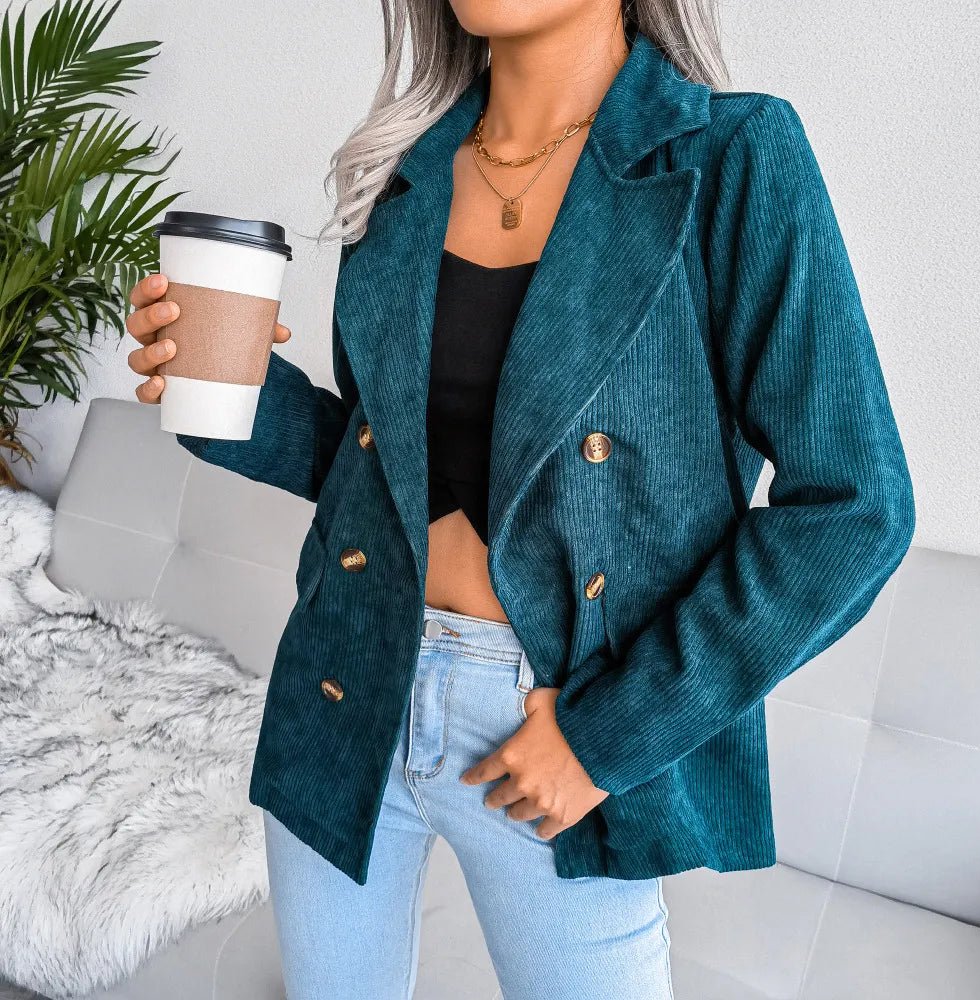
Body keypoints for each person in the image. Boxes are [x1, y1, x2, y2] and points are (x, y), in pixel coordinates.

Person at [124, 2, 916, 997]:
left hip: (551, 725)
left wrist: (605, 736)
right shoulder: (405, 172)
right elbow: (379, 482)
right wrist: (223, 395)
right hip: (347, 678)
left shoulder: (729, 156)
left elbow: (855, 508)